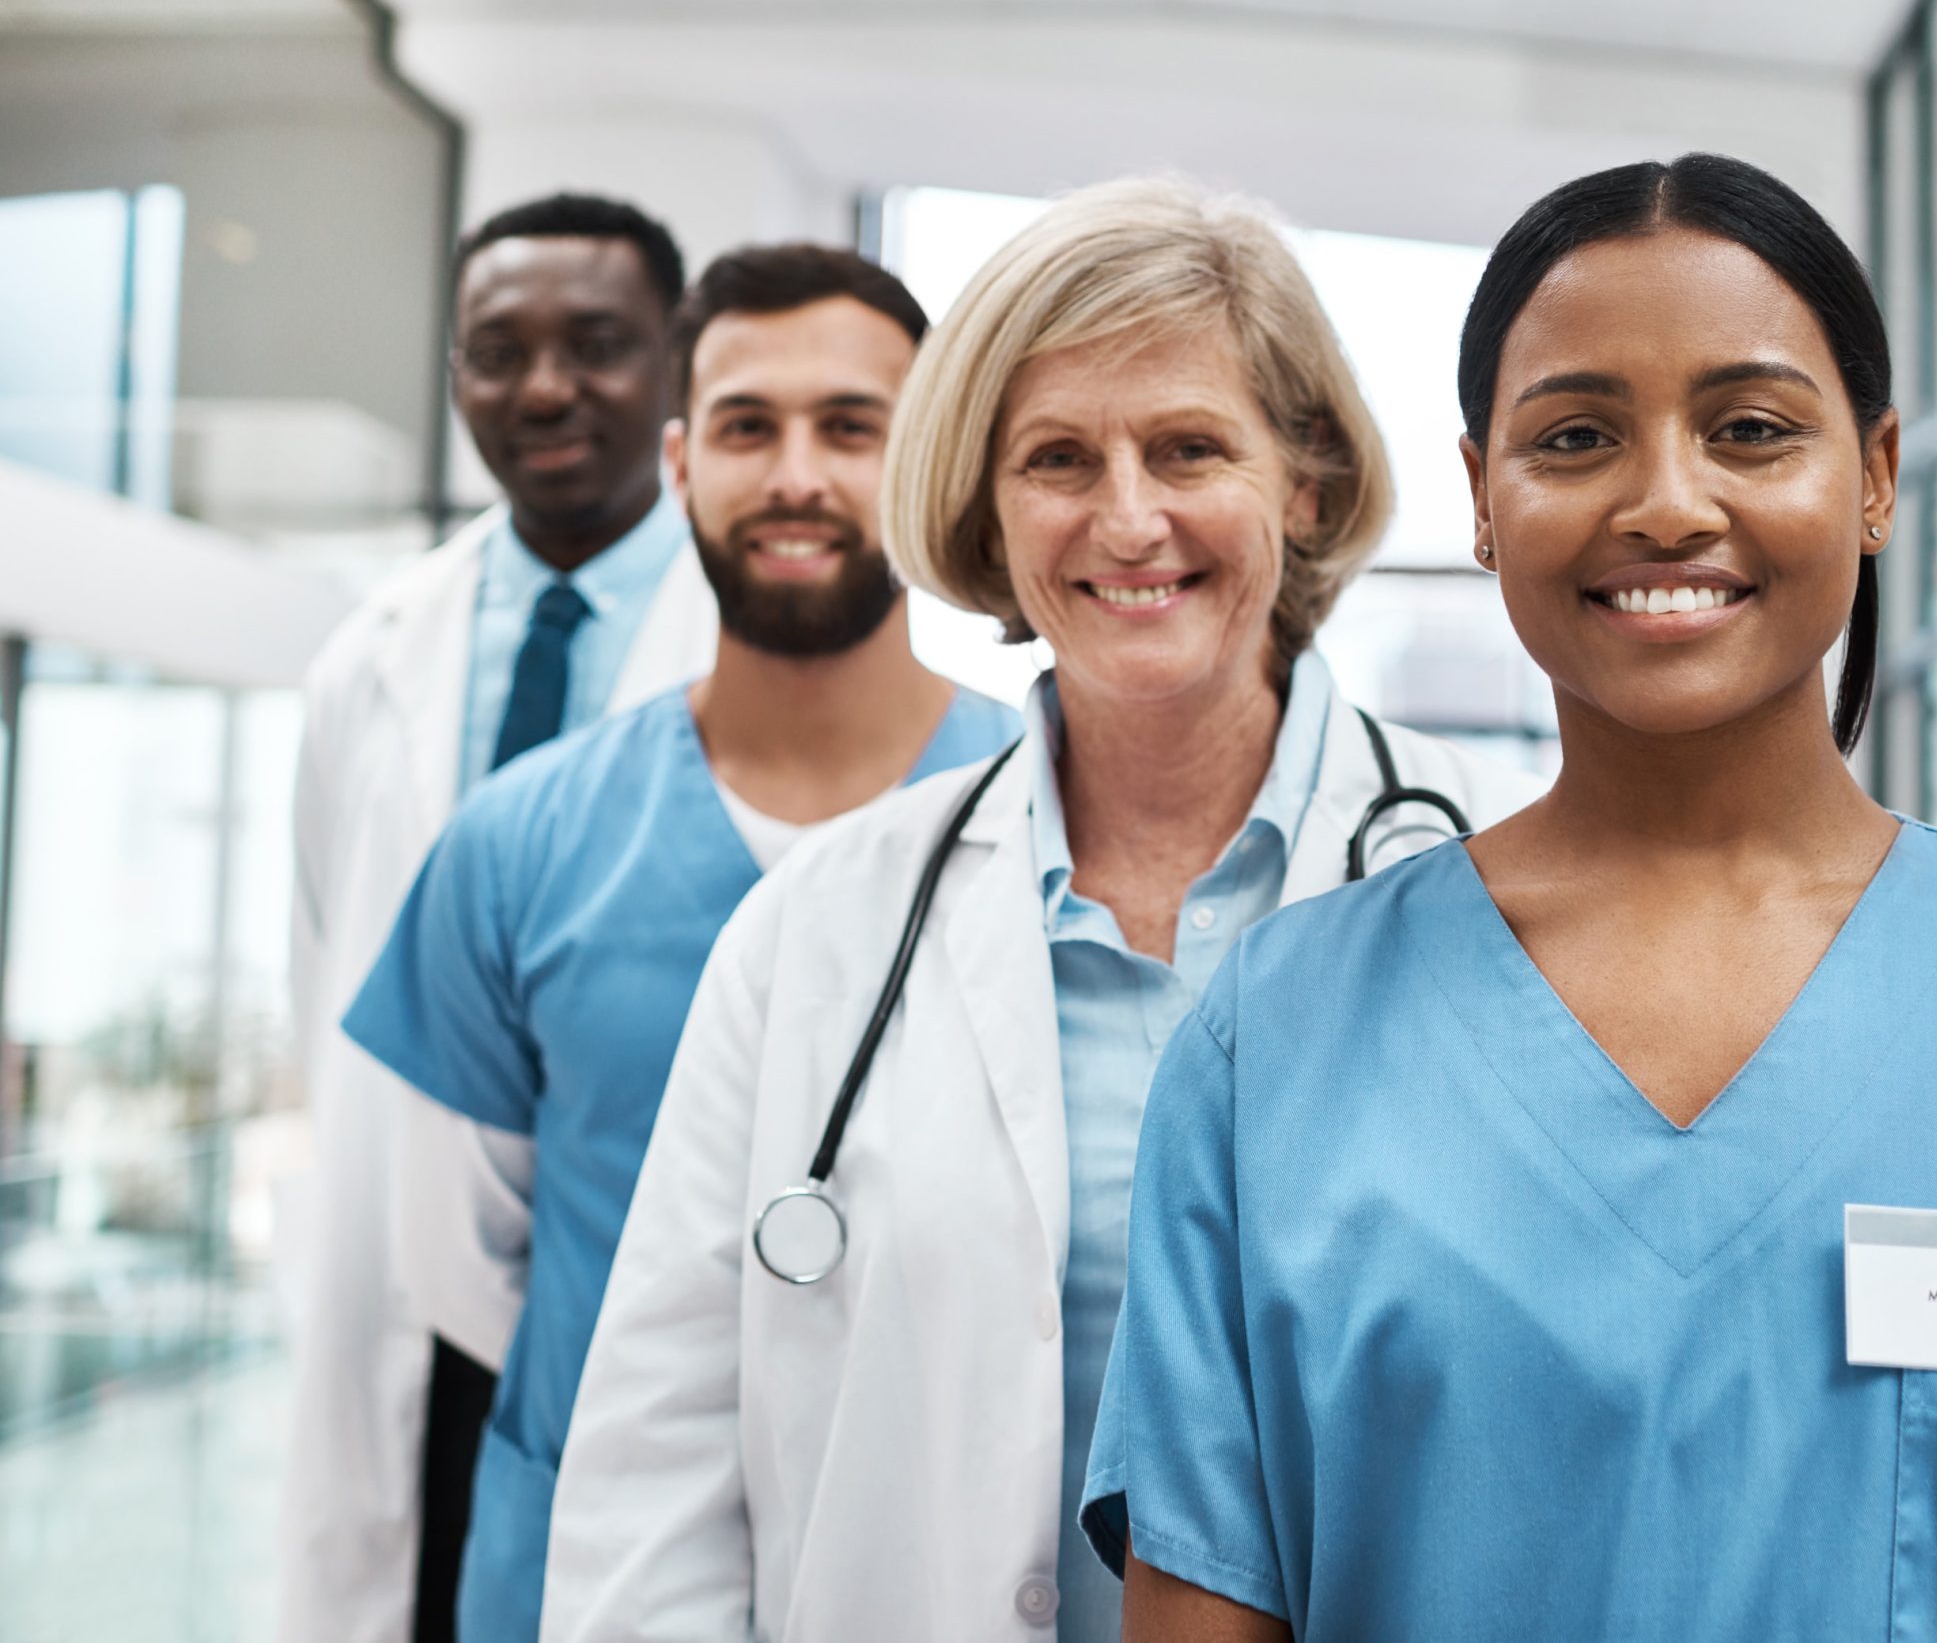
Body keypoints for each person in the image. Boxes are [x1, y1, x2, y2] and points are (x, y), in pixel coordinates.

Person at [1084, 155, 1937, 1643]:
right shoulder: (1276, 1045)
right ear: (1482, 497)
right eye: (1577, 437)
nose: (1668, 504)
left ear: (1873, 476)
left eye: (1750, 429)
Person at [540, 176, 1541, 1643]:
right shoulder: (820, 928)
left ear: (1307, 485)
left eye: (1190, 448)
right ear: (988, 513)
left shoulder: (1515, 883)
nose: (1127, 520)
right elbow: (655, 1484)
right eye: (1058, 459)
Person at [339, 244, 1020, 1643]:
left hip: (933, 1566)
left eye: (852, 427)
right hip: (585, 1563)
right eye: (747, 427)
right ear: (680, 462)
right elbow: (460, 1261)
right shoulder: (518, 842)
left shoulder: (1042, 820)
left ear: (930, 461)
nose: (796, 477)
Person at [281, 192, 718, 1643]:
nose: (543, 388)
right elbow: (325, 962)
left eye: (596, 344)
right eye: (497, 350)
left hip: (638, 1263)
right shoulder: (370, 659)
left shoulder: (755, 645)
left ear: (675, 367)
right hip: (405, 1275)